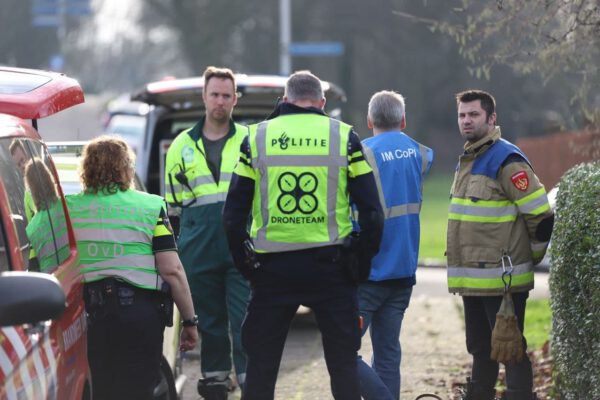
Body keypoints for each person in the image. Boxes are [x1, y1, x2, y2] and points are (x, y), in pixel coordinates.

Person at [223, 70, 384, 400]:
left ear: (285, 100)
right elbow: (372, 213)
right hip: (332, 269)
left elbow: (232, 217)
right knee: (343, 366)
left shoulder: (256, 138)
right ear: (322, 103)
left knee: (261, 367)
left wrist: (247, 266)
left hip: (271, 271)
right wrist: (360, 264)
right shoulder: (344, 137)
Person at [66, 135, 198, 400]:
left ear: (86, 168)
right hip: (138, 317)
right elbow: (171, 270)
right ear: (126, 168)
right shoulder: (150, 206)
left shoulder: (66, 210)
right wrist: (189, 320)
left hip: (86, 319)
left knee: (98, 390)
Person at [447, 90, 554, 400]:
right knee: (480, 349)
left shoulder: (507, 159)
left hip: (503, 280)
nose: (466, 120)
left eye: (474, 114)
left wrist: (529, 258)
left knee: (510, 349)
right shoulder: (469, 159)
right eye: (462, 115)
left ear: (491, 118)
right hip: (473, 280)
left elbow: (541, 218)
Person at [164, 66, 249, 398]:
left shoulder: (248, 141)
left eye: (226, 95)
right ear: (204, 96)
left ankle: (251, 381)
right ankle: (214, 382)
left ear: (235, 99)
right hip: (198, 248)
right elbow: (172, 209)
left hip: (240, 246)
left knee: (245, 320)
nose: (220, 101)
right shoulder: (181, 146)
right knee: (209, 323)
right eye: (215, 94)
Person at [355, 91, 433, 400]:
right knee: (388, 353)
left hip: (369, 272)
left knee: (342, 350)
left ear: (369, 120)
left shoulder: (361, 154)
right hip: (403, 270)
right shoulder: (419, 152)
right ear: (403, 121)